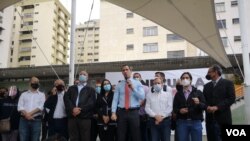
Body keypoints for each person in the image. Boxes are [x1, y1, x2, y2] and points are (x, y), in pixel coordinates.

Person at [111, 64, 145, 141]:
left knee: (136, 135)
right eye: (123, 70)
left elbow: (142, 97)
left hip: (134, 112)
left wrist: (133, 88)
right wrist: (113, 113)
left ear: (131, 70)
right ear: (122, 72)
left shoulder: (137, 83)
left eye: (127, 69)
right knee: (121, 136)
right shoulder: (119, 85)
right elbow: (115, 100)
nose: (125, 71)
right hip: (122, 112)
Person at [203, 64, 235, 141]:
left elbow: (231, 98)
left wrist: (217, 107)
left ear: (216, 72)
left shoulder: (228, 83)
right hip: (210, 120)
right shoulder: (206, 86)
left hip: (224, 119)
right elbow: (204, 100)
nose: (208, 74)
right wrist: (207, 107)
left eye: (209, 72)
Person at [173, 72, 206, 141]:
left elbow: (204, 106)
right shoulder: (178, 94)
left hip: (196, 122)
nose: (185, 79)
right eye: (183, 78)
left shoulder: (198, 92)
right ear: (181, 81)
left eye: (187, 78)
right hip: (182, 123)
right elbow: (174, 108)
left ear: (190, 80)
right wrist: (180, 111)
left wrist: (198, 103)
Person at [64, 71, 96, 141]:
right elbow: (66, 99)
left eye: (84, 74)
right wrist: (72, 109)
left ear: (87, 78)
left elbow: (91, 103)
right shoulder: (71, 88)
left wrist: (80, 109)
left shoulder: (91, 89)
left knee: (85, 138)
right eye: (80, 74)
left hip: (85, 118)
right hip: (72, 117)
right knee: (73, 138)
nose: (82, 75)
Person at [18, 76, 46, 141]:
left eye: (37, 82)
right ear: (30, 83)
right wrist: (26, 115)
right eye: (34, 81)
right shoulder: (23, 94)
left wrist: (29, 114)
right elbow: (20, 107)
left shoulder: (42, 95)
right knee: (23, 138)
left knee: (35, 139)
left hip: (36, 120)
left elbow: (41, 107)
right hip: (23, 120)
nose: (36, 83)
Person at [133, 72, 150, 141]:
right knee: (135, 134)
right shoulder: (131, 88)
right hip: (133, 114)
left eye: (138, 77)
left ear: (140, 78)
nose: (136, 78)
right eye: (135, 77)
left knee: (144, 134)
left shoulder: (146, 88)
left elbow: (149, 98)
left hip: (143, 115)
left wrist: (144, 101)